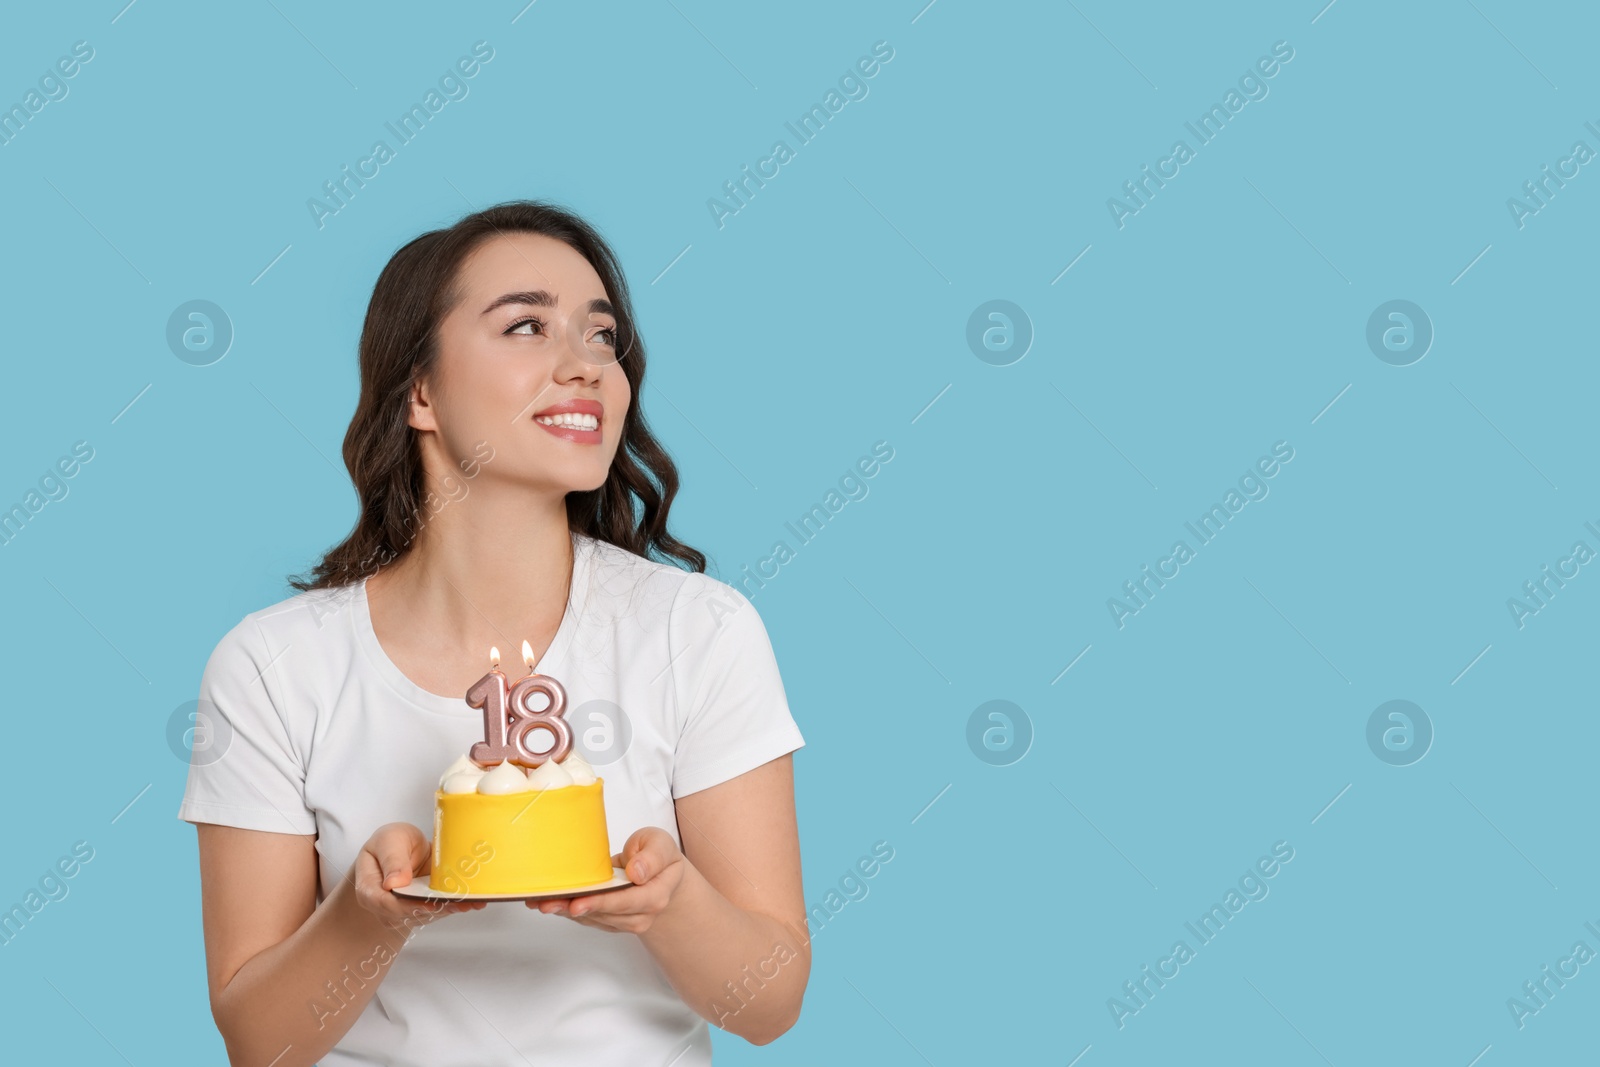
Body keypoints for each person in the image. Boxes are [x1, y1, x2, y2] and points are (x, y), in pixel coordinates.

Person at [178, 201, 809, 1066]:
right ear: (420, 391)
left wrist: (672, 900)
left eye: (601, 337)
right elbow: (259, 1041)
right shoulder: (274, 666)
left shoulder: (697, 632)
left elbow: (771, 1004)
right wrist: (366, 917)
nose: (586, 366)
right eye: (526, 325)